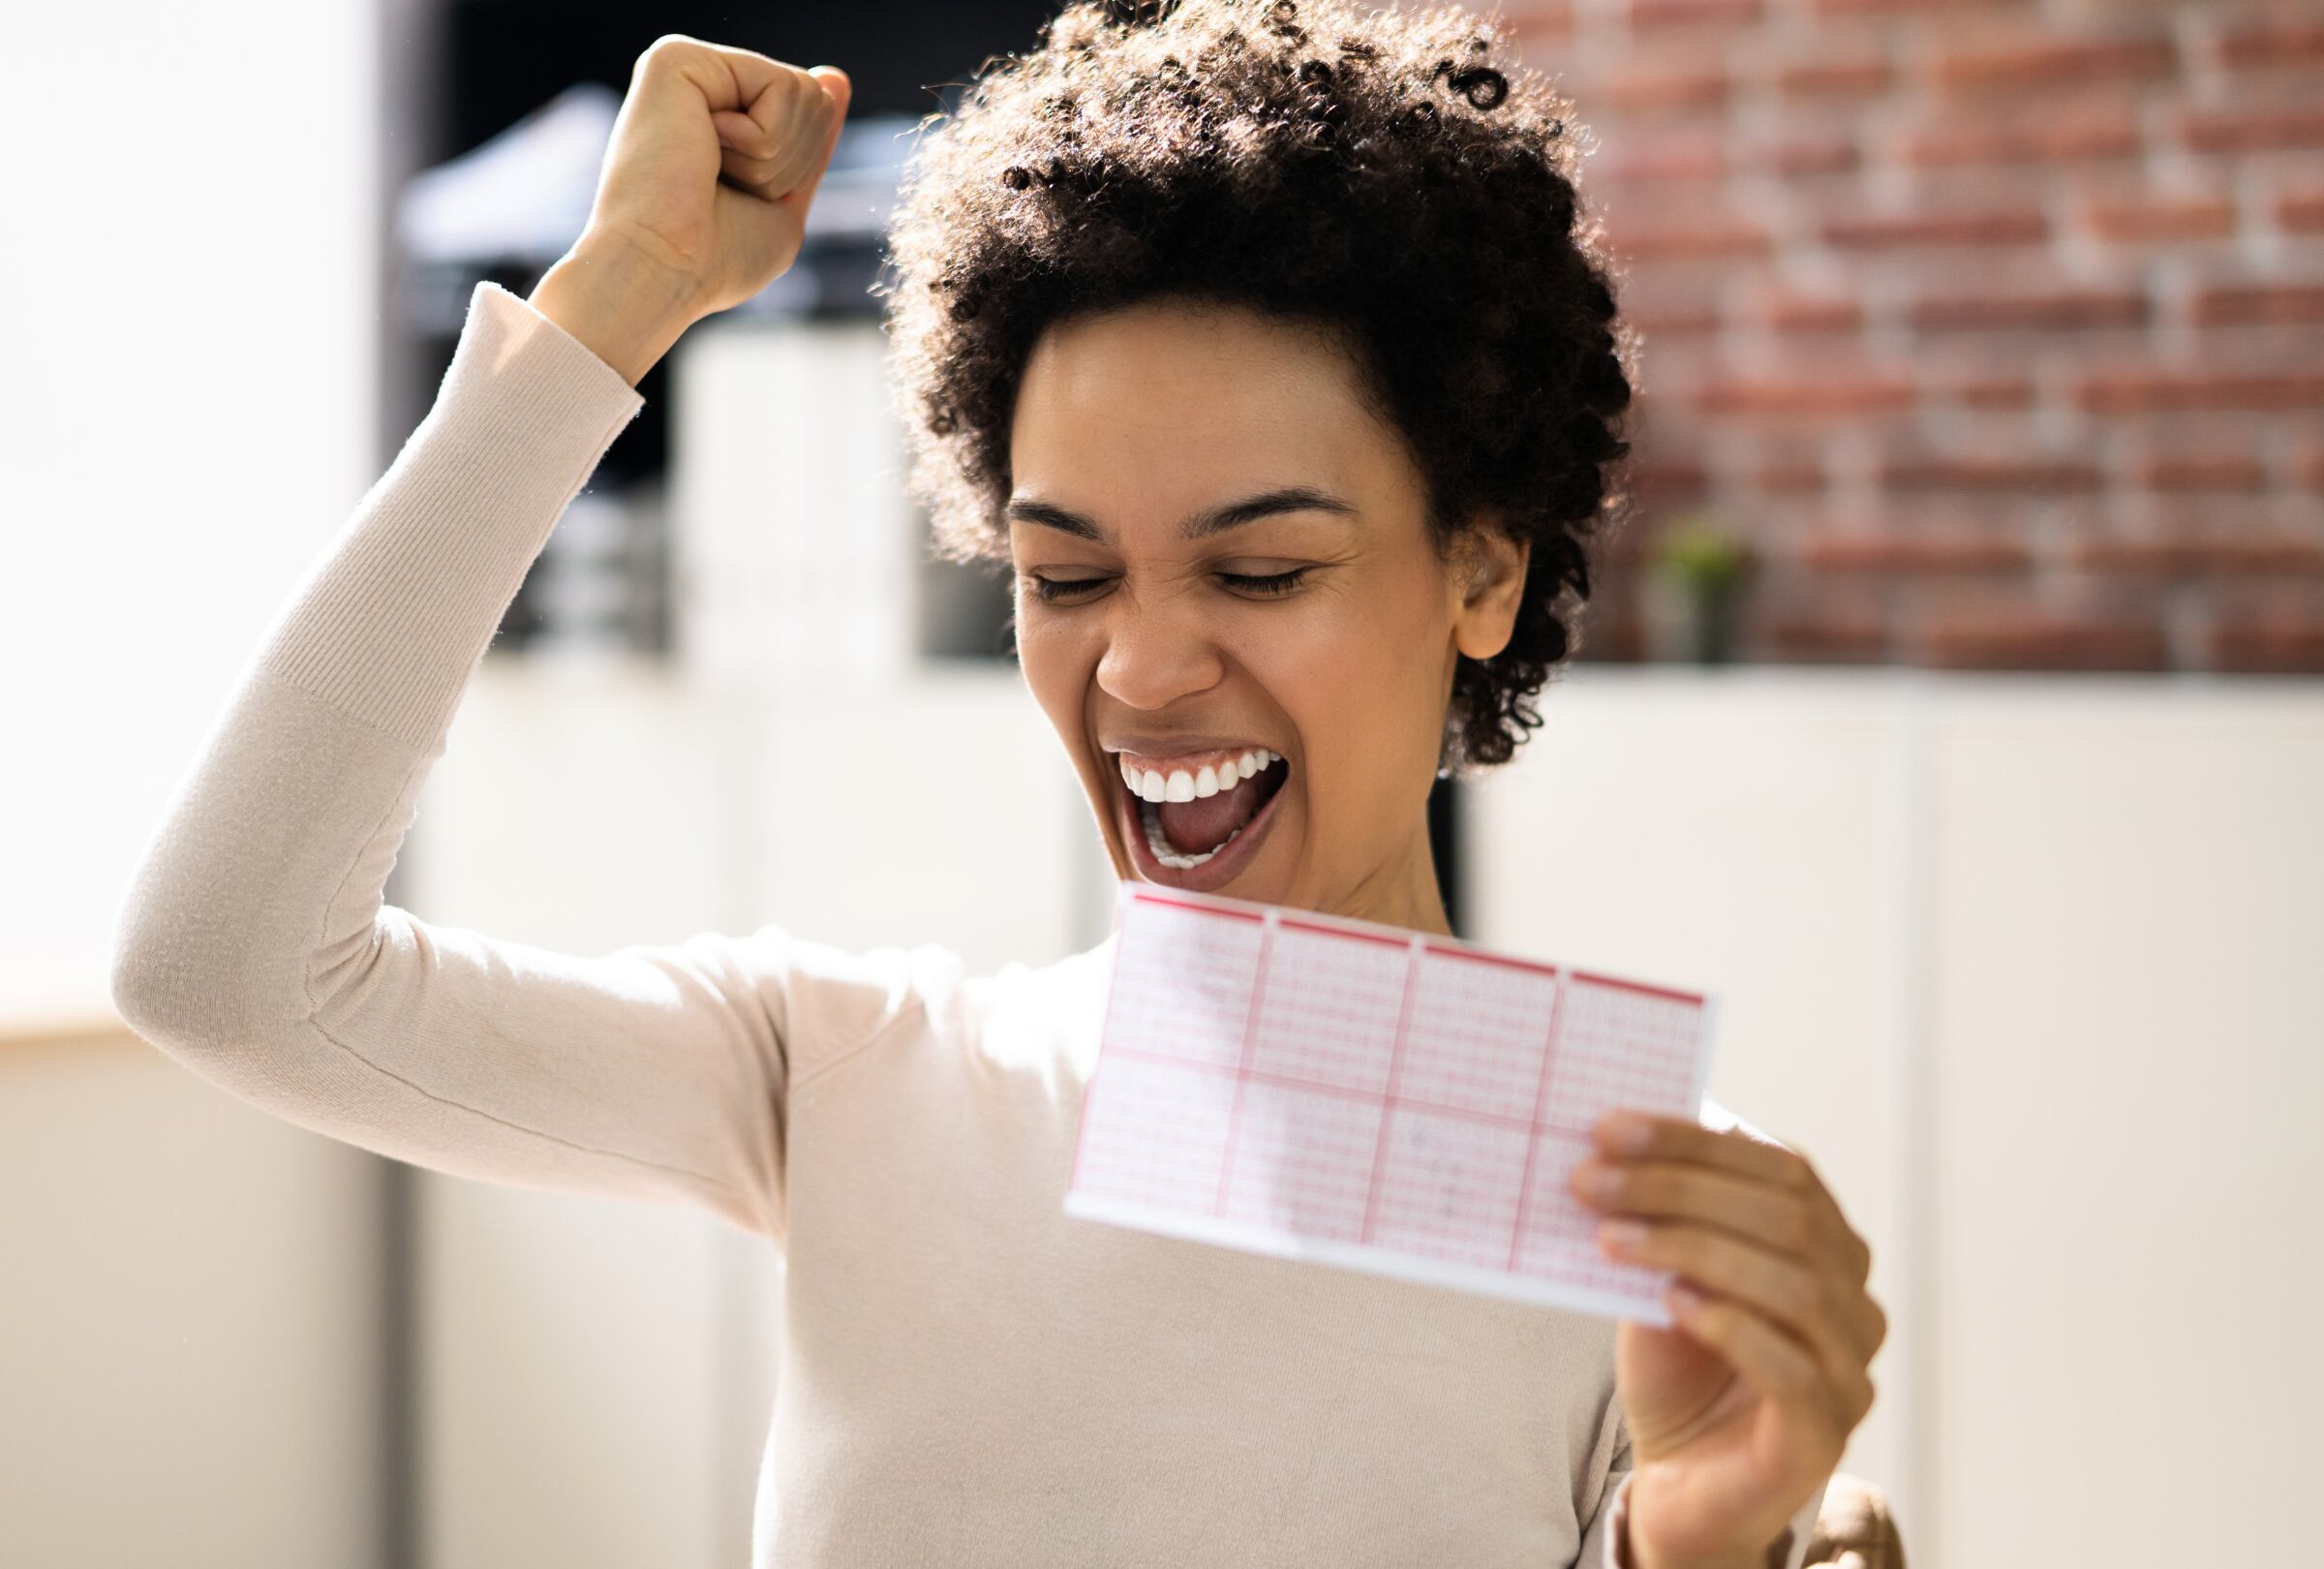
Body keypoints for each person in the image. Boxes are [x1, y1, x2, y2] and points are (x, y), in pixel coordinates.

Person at [109, 3, 1885, 1565]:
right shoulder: (858, 1082)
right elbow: (230, 969)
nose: (1139, 671)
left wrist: (1688, 1553)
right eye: (1066, 573)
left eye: (1261, 572)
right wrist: (612, 313)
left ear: (1483, 575)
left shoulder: (1646, 1220)